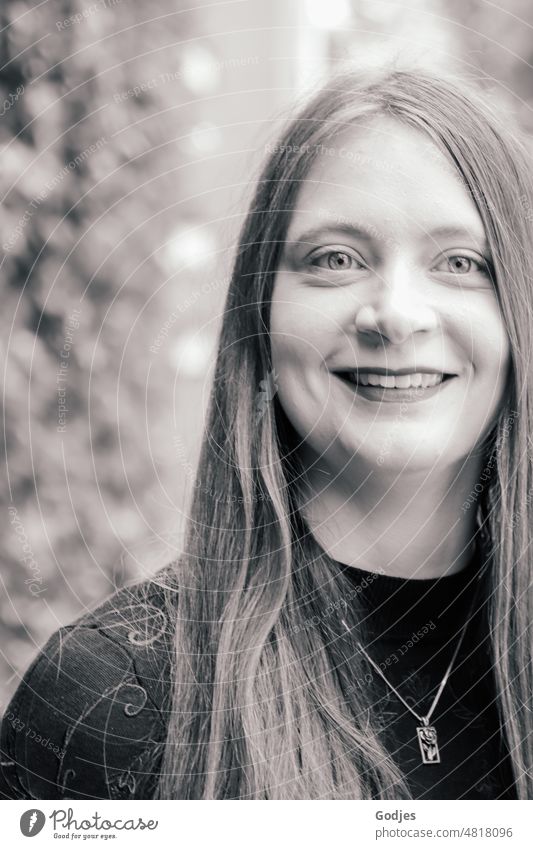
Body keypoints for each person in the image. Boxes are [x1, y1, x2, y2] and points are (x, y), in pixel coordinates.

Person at [1, 64, 532, 801]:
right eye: (335, 259)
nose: (396, 314)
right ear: (262, 314)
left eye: (459, 262)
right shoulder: (104, 699)